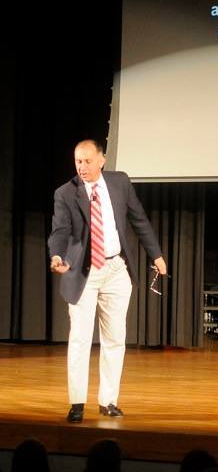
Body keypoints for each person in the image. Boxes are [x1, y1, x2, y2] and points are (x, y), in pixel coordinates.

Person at [48, 139, 166, 422]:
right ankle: (77, 403)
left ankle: (108, 401)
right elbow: (61, 230)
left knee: (115, 339)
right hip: (83, 272)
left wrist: (157, 255)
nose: (82, 167)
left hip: (116, 269)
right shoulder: (66, 193)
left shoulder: (119, 182)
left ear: (101, 160)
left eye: (88, 161)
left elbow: (139, 220)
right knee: (80, 338)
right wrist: (57, 256)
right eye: (78, 161)